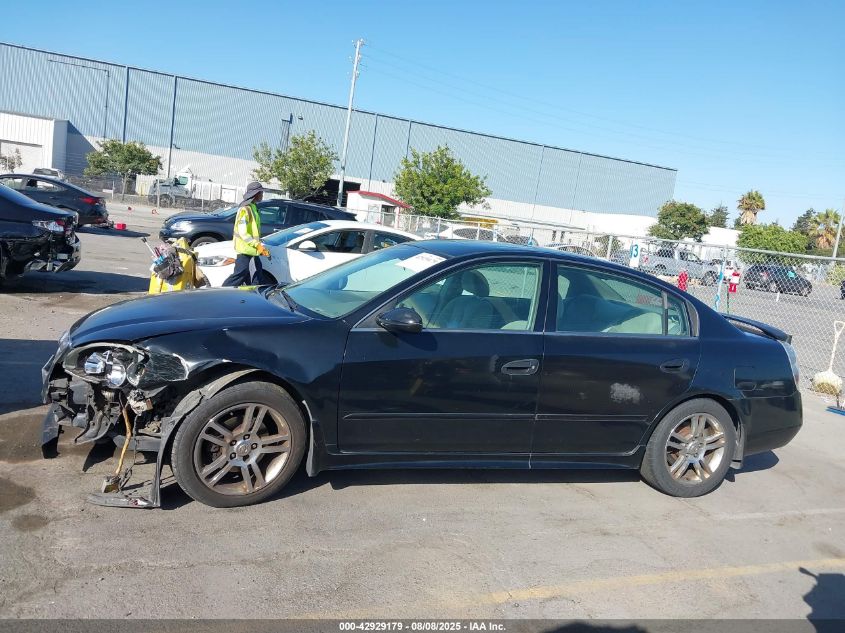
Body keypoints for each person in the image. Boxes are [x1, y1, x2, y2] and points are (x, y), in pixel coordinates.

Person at [222, 181, 271, 287]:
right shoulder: (245, 209)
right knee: (240, 274)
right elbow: (243, 233)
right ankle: (223, 292)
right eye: (261, 193)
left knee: (255, 276)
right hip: (245, 249)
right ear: (255, 194)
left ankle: (250, 296)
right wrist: (257, 245)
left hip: (251, 250)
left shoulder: (252, 207)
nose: (262, 195)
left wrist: (259, 246)